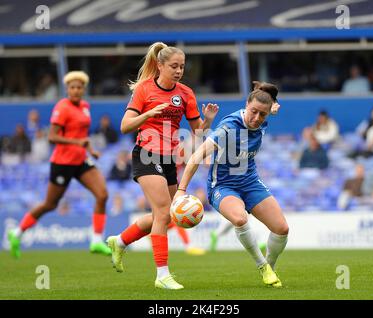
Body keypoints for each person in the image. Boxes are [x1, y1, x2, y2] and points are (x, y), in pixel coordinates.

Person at [106, 42, 219, 290]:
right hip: (146, 154)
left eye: (182, 67)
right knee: (162, 212)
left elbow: (198, 132)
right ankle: (162, 275)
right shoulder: (145, 89)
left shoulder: (186, 93)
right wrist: (148, 114)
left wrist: (208, 118)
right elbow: (125, 125)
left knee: (166, 216)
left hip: (169, 159)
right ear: (160, 65)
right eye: (174, 66)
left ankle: (121, 241)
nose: (179, 71)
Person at [174, 81, 288, 288]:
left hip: (250, 181)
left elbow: (270, 105)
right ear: (246, 104)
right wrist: (181, 190)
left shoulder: (263, 116)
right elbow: (197, 156)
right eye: (253, 112)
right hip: (223, 186)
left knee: (282, 228)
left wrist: (273, 108)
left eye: (262, 114)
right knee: (240, 218)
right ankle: (262, 267)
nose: (256, 119)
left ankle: (270, 265)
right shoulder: (228, 128)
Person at [7, 71, 111, 258]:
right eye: (72, 87)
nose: (76, 90)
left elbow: (82, 136)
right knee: (50, 204)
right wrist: (77, 143)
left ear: (83, 89)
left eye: (79, 87)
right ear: (67, 89)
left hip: (81, 160)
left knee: (102, 195)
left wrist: (90, 149)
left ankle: (96, 240)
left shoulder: (85, 107)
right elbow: (52, 136)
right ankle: (17, 233)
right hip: (62, 163)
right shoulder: (62, 107)